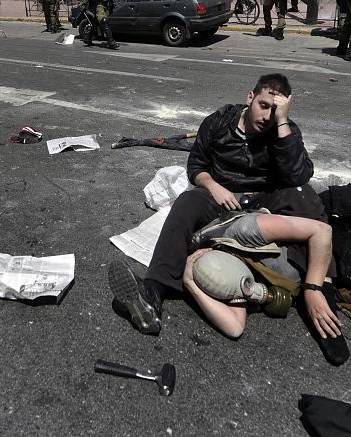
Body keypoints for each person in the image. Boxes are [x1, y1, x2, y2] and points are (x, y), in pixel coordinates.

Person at [109, 73, 328, 340]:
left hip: (264, 197)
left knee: (303, 195)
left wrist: (283, 123)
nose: (266, 116)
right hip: (222, 196)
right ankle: (154, 291)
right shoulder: (219, 121)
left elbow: (298, 176)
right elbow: (196, 166)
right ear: (250, 97)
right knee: (188, 202)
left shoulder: (284, 130)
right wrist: (214, 186)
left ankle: (317, 283)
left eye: (276, 111)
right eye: (264, 105)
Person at [183, 212, 344, 354]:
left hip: (321, 255)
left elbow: (321, 230)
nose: (251, 291)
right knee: (335, 348)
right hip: (299, 283)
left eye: (245, 284)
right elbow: (235, 328)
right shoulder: (228, 286)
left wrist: (313, 290)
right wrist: (190, 284)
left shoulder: (246, 231)